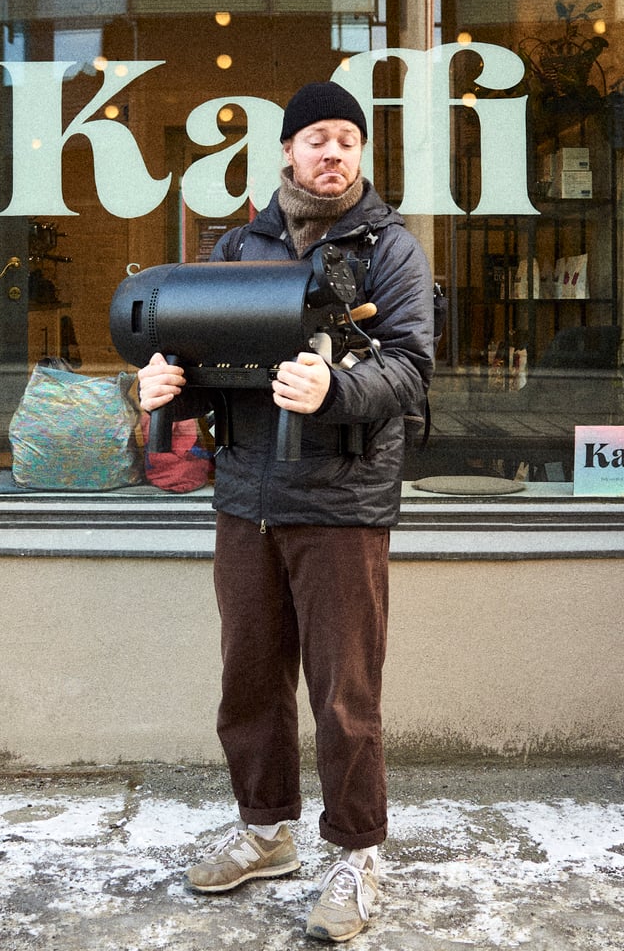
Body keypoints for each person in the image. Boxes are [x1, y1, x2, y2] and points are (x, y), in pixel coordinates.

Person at [137, 80, 435, 942]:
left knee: (344, 694)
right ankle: (267, 832)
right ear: (287, 153)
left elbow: (411, 370)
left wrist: (336, 386)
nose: (332, 152)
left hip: (342, 504)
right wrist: (160, 384)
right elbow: (199, 358)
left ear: (361, 154)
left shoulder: (392, 251)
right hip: (246, 499)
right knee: (249, 680)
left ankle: (356, 852)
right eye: (316, 139)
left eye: (347, 138)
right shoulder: (238, 246)